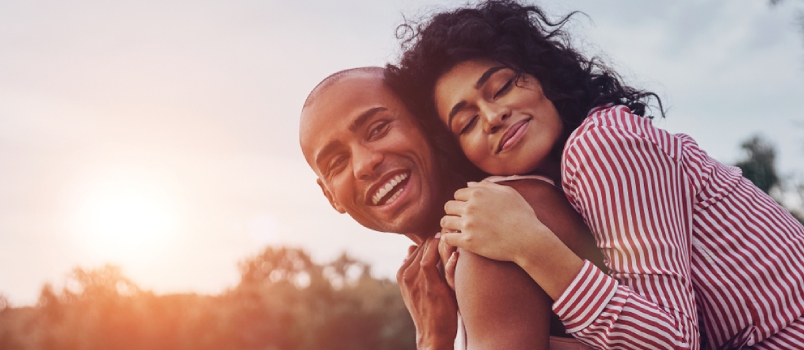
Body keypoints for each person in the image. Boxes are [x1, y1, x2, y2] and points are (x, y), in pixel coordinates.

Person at [385, 0, 804, 349]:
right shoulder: (559, 187)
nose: (494, 116)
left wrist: (529, 244)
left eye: (503, 86)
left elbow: (674, 343)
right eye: (467, 123)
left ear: (541, 76)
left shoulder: (600, 144)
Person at [299, 66, 604, 349]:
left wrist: (432, 342)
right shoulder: (454, 256)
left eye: (378, 129)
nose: (365, 164)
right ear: (331, 197)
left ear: (428, 123)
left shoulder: (489, 233)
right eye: (338, 162)